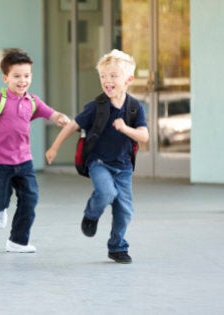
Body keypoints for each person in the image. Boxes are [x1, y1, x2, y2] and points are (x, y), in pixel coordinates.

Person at [45, 49, 149, 264]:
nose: (107, 81)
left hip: (123, 166)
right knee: (106, 192)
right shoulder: (96, 106)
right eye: (103, 76)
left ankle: (117, 247)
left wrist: (125, 129)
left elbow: (144, 136)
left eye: (113, 76)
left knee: (125, 210)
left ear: (128, 80)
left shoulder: (134, 108)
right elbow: (73, 124)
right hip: (99, 162)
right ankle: (91, 215)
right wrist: (54, 147)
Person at [0, 48, 70, 253]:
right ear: (5, 78)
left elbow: (51, 113)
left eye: (26, 76)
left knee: (31, 198)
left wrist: (60, 118)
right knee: (0, 199)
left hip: (24, 160)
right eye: (16, 76)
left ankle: (17, 241)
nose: (22, 81)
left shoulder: (32, 101)